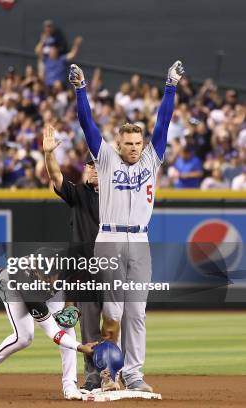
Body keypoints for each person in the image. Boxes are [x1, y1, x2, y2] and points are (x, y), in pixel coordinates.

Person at [70, 60, 184, 392]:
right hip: (109, 238)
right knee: (113, 311)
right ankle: (108, 373)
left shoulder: (151, 158)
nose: (134, 148)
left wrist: (170, 86)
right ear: (119, 145)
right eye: (129, 143)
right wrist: (80, 90)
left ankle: (133, 374)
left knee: (137, 312)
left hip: (140, 242)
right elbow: (87, 123)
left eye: (138, 143)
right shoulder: (104, 159)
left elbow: (163, 123)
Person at [0, 268, 98, 400]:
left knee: (66, 325)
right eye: (45, 277)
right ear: (36, 273)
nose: (49, 281)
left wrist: (69, 304)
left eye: (52, 277)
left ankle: (70, 385)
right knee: (24, 337)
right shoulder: (28, 286)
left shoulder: (67, 264)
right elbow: (53, 332)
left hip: (44, 280)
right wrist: (80, 347)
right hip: (12, 285)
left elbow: (76, 277)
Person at [43, 124, 101, 393]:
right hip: (84, 271)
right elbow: (56, 177)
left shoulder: (117, 198)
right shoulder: (79, 194)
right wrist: (48, 155)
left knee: (116, 322)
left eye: (97, 166)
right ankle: (92, 377)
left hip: (112, 267)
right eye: (89, 166)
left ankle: (116, 372)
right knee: (88, 326)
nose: (91, 169)